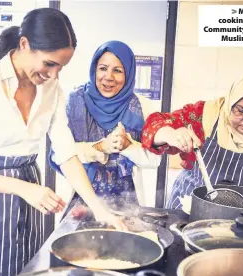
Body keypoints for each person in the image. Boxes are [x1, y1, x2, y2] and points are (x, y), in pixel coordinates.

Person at [0, 8, 124, 276]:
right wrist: (24, 189)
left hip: (31, 190)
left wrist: (99, 207)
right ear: (25, 44)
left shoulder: (52, 89)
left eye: (61, 68)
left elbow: (66, 153)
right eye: (49, 63)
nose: (53, 75)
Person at [141, 73, 243, 209]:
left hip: (242, 217)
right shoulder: (202, 115)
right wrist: (171, 134)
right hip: (190, 207)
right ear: (230, 103)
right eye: (241, 110)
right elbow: (153, 125)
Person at [50, 41, 161, 216]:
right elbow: (58, 155)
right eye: (103, 68)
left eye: (117, 70)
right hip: (81, 200)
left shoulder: (142, 106)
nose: (108, 77)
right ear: (94, 69)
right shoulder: (74, 102)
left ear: (129, 74)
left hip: (127, 201)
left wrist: (129, 146)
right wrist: (100, 147)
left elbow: (155, 160)